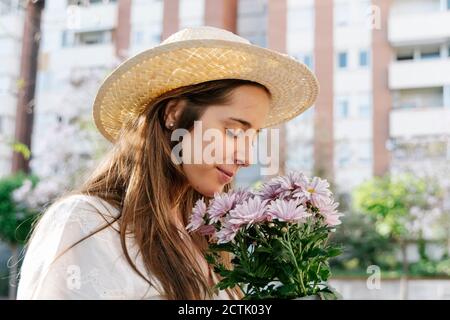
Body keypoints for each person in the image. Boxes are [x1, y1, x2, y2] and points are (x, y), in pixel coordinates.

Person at [16, 26, 318, 300]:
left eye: (253, 137)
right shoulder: (87, 222)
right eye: (233, 131)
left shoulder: (208, 241)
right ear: (173, 113)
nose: (247, 157)